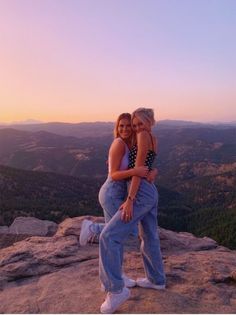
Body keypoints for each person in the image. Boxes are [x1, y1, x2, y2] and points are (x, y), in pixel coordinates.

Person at [99, 107, 166, 314]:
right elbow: (147, 165)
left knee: (108, 236)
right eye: (133, 124)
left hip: (141, 193)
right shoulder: (151, 137)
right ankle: (156, 280)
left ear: (149, 122)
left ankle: (116, 290)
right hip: (150, 192)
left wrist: (130, 199)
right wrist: (152, 172)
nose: (136, 128)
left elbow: (137, 172)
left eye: (139, 123)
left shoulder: (143, 136)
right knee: (149, 235)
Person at [79, 112, 152, 287]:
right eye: (121, 126)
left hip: (115, 193)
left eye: (128, 126)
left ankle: (115, 276)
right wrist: (135, 171)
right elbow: (114, 174)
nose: (125, 129)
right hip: (112, 192)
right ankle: (93, 228)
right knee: (129, 232)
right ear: (117, 128)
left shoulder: (127, 144)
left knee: (114, 241)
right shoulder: (118, 143)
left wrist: (150, 172)